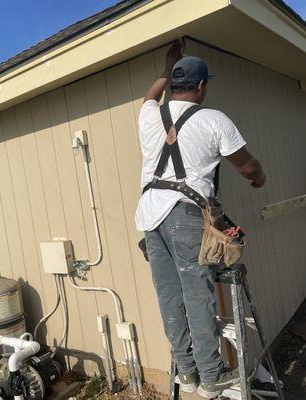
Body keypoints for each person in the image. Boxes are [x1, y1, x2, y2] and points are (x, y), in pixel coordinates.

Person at [135, 41, 266, 399]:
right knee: (197, 294)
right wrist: (258, 179)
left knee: (169, 297)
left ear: (174, 84)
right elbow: (248, 165)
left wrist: (166, 68)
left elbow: (150, 95)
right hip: (183, 214)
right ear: (201, 86)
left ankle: (187, 374)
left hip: (149, 216)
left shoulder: (149, 115)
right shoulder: (212, 119)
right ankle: (211, 376)